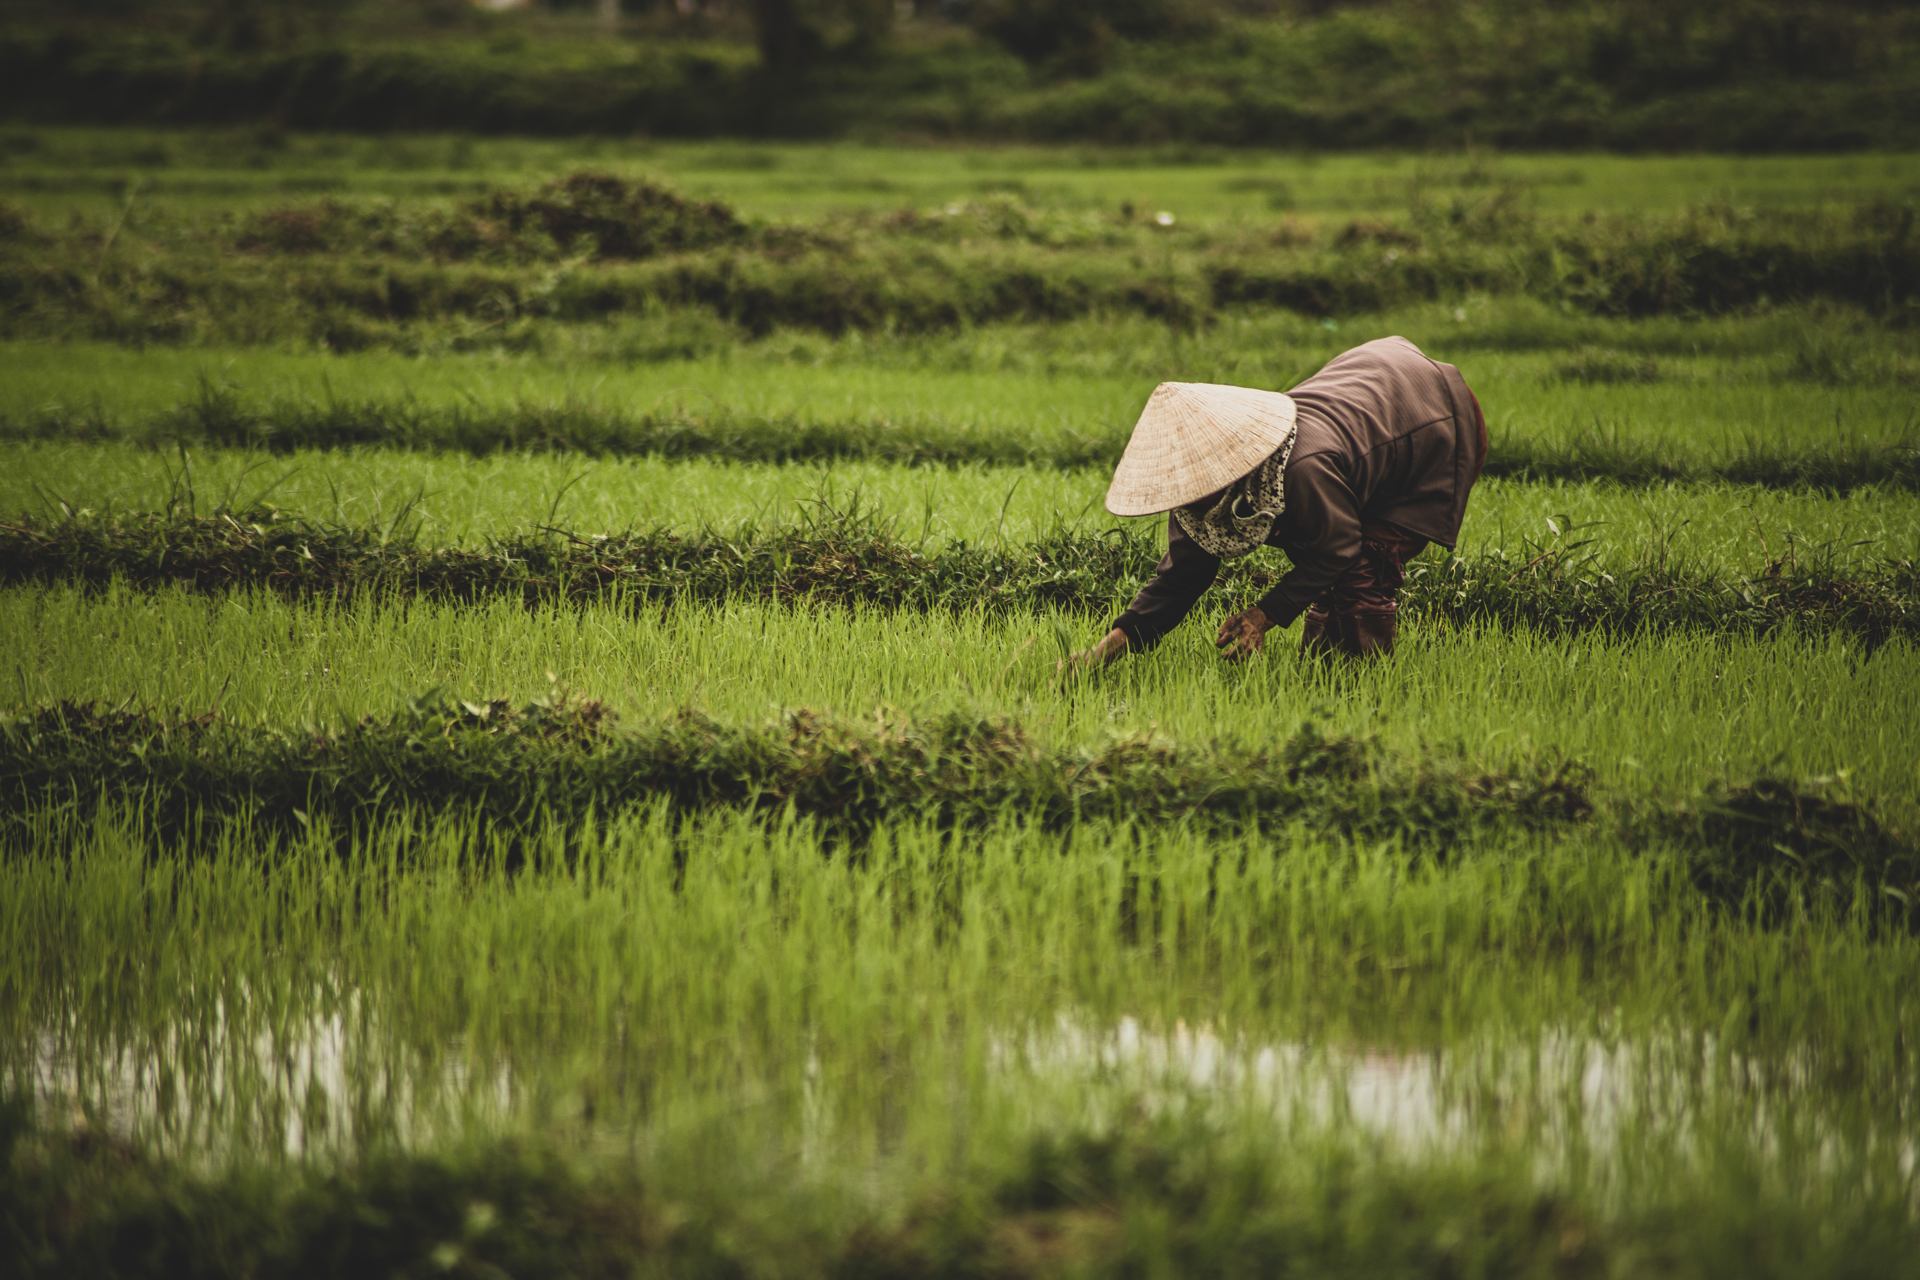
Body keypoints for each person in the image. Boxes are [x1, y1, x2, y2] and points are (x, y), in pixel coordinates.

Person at [1066, 335, 1487, 668]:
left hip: (1430, 415)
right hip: (1375, 393)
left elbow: (1339, 547)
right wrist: (1107, 647)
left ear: (1228, 467)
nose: (1187, 495)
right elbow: (1181, 578)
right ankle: (1324, 683)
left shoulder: (1303, 469)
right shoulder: (1198, 499)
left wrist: (1263, 614)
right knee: (1324, 575)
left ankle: (1361, 689)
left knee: (1363, 569)